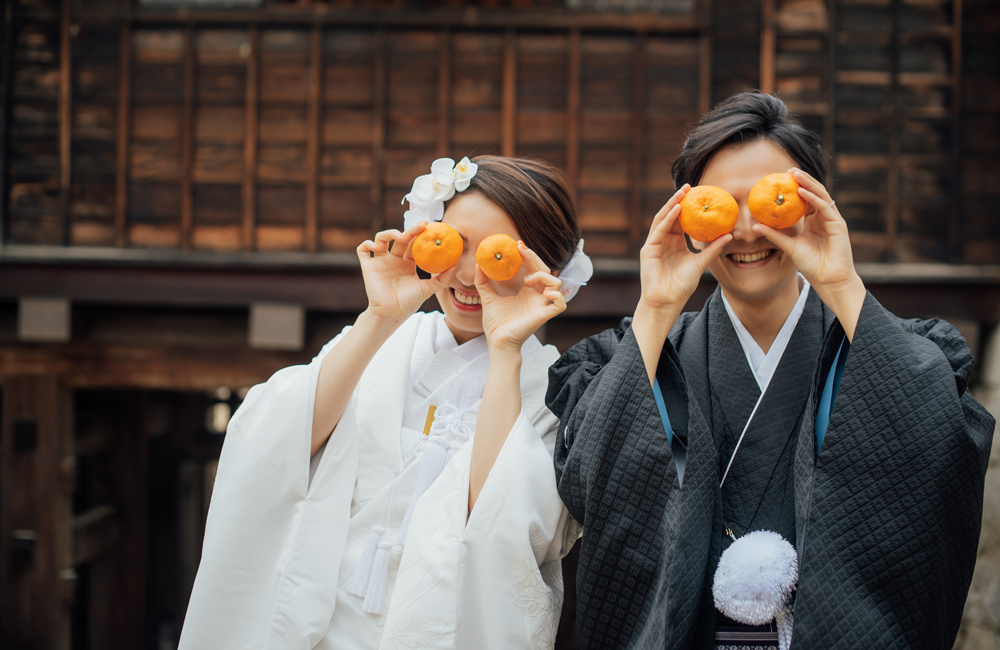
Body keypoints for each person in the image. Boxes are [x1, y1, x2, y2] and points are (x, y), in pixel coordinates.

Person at [546, 92, 995, 649]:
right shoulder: (640, 350)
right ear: (689, 217)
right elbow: (591, 481)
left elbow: (940, 456)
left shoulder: (892, 349)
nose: (749, 230)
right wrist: (656, 306)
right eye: (724, 206)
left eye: (770, 200)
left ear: (812, 206)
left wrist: (842, 285)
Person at [179, 155, 592, 649]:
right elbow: (281, 445)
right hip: (323, 625)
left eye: (494, 257)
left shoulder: (556, 386)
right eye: (456, 246)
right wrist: (380, 317)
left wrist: (505, 351)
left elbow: (498, 521)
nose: (465, 277)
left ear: (548, 270)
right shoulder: (385, 342)